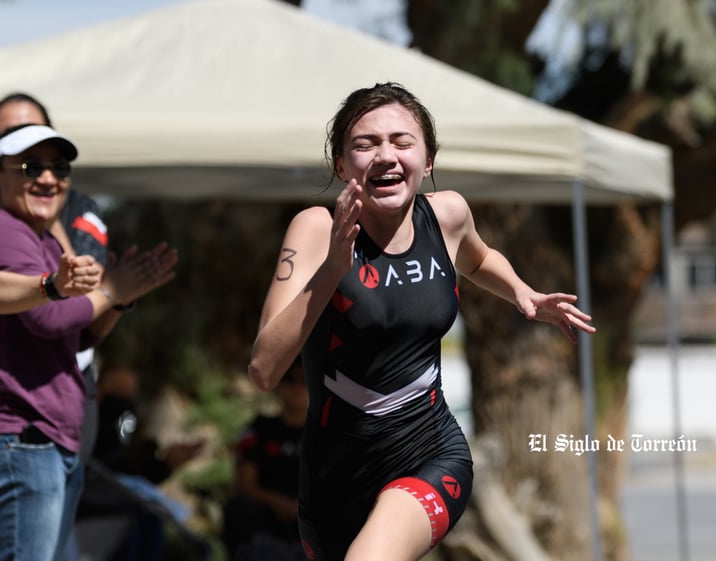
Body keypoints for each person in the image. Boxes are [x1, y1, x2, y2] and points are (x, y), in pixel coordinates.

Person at [247, 82, 596, 561]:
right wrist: (332, 268)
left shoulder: (448, 215)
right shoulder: (314, 230)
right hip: (332, 479)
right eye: (365, 145)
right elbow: (265, 370)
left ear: (426, 161)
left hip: (430, 453)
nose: (385, 156)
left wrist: (521, 291)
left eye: (402, 142)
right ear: (341, 166)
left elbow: (477, 258)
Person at [0, 123, 178, 561]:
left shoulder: (38, 239)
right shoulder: (3, 232)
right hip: (21, 443)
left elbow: (75, 336)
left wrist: (116, 302)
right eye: (31, 166)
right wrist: (110, 291)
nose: (48, 178)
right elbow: (47, 317)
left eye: (59, 167)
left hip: (40, 443)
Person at [80, 363, 205, 561]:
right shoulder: (86, 416)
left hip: (121, 505)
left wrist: (167, 464)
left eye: (131, 395)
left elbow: (133, 467)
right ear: (100, 388)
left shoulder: (129, 426)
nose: (126, 403)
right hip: (87, 499)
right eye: (119, 392)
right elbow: (102, 462)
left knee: (150, 515)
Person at [222, 356, 307, 561]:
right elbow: (245, 485)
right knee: (239, 507)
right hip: (265, 521)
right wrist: (281, 505)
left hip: (312, 523)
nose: (296, 387)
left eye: (305, 380)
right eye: (289, 379)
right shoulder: (258, 430)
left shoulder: (330, 435)